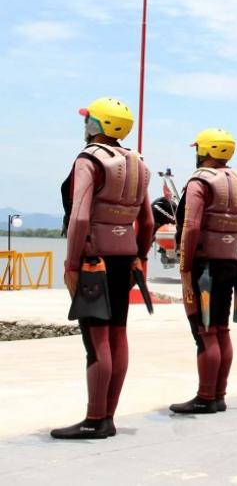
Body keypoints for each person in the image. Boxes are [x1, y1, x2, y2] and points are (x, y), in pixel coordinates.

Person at [52, 97, 154, 440]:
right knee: (117, 334)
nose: (85, 125)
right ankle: (108, 416)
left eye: (88, 120)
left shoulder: (89, 160)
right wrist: (139, 256)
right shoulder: (138, 162)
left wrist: (71, 264)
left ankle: (94, 419)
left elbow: (80, 216)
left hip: (93, 260)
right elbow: (147, 221)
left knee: (96, 340)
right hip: (124, 258)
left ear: (96, 125)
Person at [171, 128, 237, 415]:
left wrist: (185, 268)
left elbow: (191, 226)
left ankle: (205, 397)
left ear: (204, 151)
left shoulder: (200, 182)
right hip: (228, 264)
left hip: (203, 268)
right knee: (221, 328)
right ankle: (218, 395)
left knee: (205, 331)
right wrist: (235, 258)